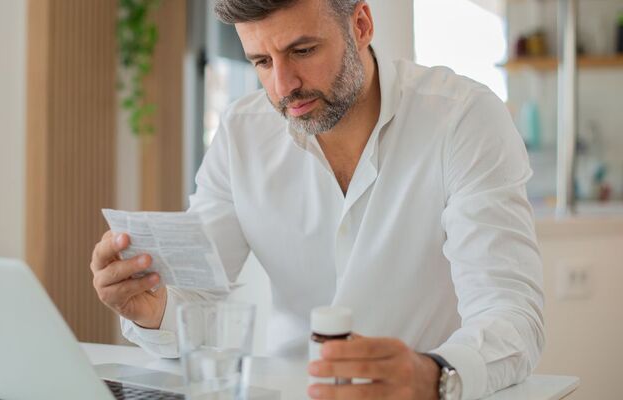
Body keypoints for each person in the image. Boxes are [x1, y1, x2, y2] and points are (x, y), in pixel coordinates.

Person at [90, 1, 545, 399]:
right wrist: (154, 310)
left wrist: (434, 375)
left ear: (362, 24)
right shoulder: (240, 134)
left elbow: (511, 316)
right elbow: (199, 292)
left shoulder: (462, 119)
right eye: (261, 62)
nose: (283, 86)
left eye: (302, 51)